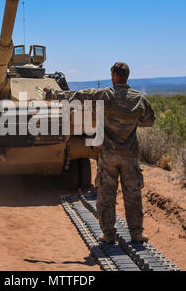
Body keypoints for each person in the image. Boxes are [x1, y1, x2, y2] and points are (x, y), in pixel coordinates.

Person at [44, 62, 156, 244]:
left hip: (108, 157)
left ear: (114, 75)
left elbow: (79, 96)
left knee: (106, 196)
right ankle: (136, 234)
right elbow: (150, 120)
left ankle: (108, 235)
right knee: (133, 195)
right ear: (127, 76)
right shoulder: (138, 98)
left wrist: (53, 94)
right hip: (130, 157)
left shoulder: (105, 95)